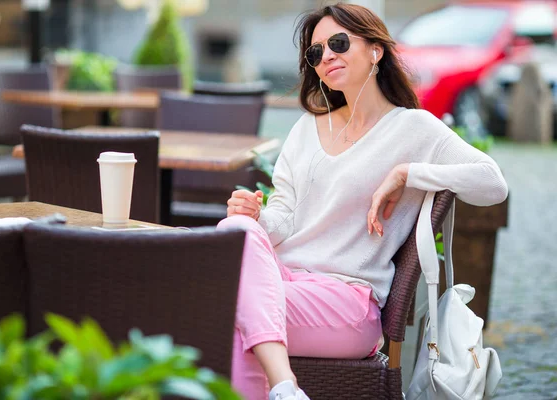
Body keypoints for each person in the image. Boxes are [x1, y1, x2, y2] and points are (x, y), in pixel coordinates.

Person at [217, 3, 508, 400]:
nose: (327, 56)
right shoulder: (307, 128)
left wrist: (409, 173)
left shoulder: (412, 128)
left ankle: (283, 386)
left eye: (338, 42)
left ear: (376, 49)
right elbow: (284, 217)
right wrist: (258, 216)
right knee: (236, 229)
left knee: (221, 301)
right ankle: (283, 386)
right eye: (316, 52)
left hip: (348, 302)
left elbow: (493, 183)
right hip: (283, 283)